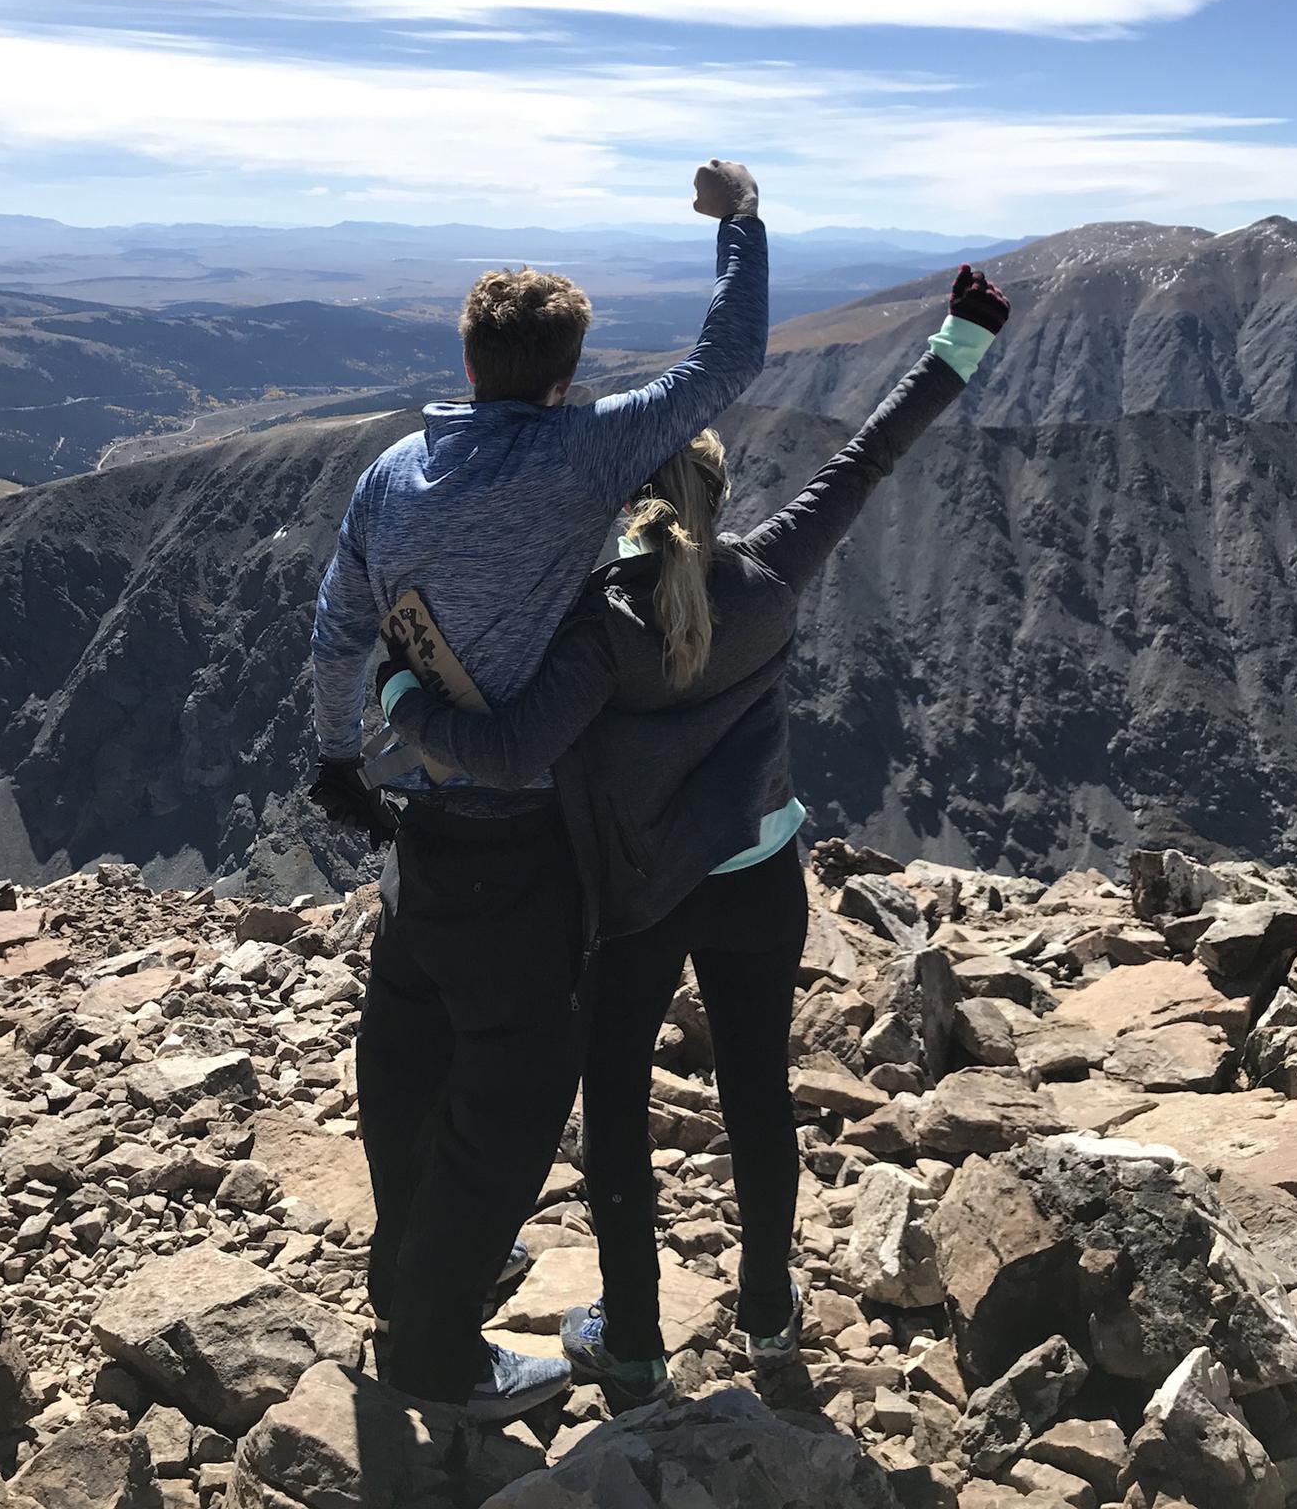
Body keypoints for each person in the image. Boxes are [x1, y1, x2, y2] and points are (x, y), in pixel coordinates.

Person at [374, 263, 1011, 1412]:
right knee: (760, 1101)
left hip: (635, 899)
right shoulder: (771, 570)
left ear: (632, 505)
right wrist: (963, 338)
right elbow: (874, 451)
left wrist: (397, 703)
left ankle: (634, 1343)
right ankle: (769, 1322)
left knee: (616, 1111)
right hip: (763, 880)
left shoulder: (601, 623)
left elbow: (511, 734)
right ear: (718, 498)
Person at [308, 160, 769, 1422]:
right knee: (508, 1102)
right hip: (519, 848)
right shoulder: (583, 454)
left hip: (415, 841)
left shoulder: (392, 472)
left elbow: (340, 622)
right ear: (565, 375)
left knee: (405, 1058)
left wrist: (341, 748)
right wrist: (739, 221)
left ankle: (412, 1275)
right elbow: (725, 367)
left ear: (468, 364)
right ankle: (441, 1360)